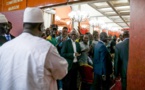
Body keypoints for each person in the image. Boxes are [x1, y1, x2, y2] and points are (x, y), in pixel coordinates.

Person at [0, 7, 68, 90]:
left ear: (24, 25)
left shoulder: (4, 47)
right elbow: (62, 72)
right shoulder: (46, 48)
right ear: (41, 27)